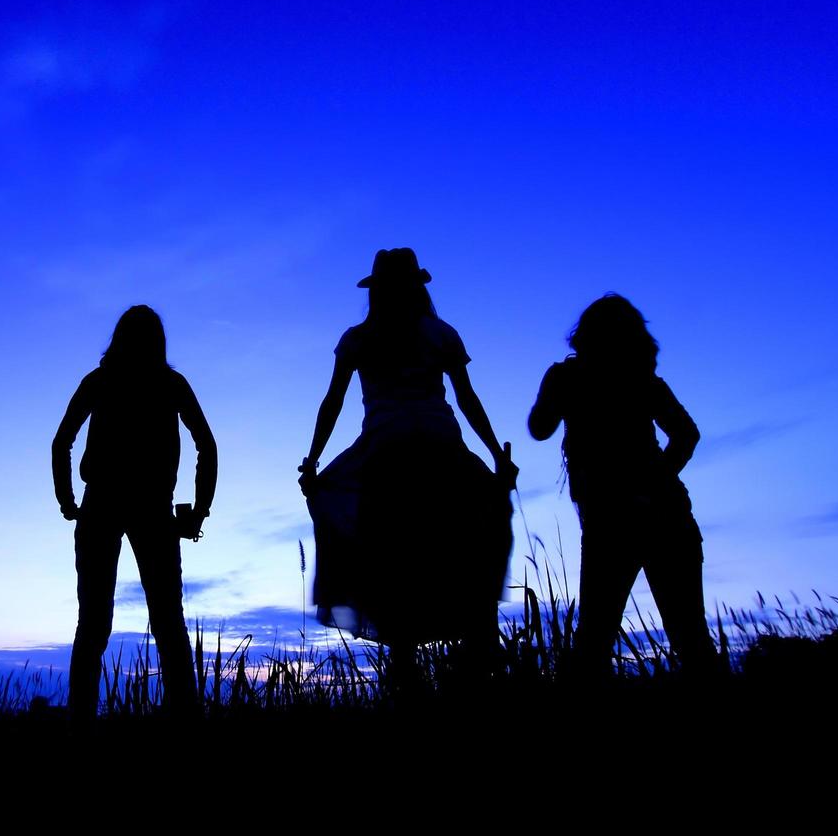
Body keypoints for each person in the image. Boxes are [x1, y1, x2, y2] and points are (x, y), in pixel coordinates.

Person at [300, 248, 516, 681]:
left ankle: (408, 681)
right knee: (465, 556)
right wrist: (494, 455)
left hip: (386, 457)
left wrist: (313, 460)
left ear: (376, 291)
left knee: (390, 572)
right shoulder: (440, 334)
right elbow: (466, 399)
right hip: (442, 455)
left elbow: (333, 402)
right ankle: (480, 673)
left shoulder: (359, 339)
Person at [527, 293, 716, 677]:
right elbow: (686, 435)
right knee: (690, 638)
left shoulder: (570, 377)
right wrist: (656, 482)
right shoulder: (642, 381)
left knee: (594, 641)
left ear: (585, 335)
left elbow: (538, 428)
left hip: (612, 523)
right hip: (662, 515)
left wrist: (555, 387)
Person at [52, 305, 217, 719]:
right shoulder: (170, 383)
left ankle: (80, 721)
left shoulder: (100, 380)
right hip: (151, 505)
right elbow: (207, 446)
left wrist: (68, 500)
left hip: (102, 502)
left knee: (92, 625)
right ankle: (184, 718)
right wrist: (199, 510)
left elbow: (61, 442)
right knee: (168, 623)